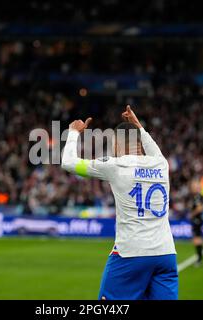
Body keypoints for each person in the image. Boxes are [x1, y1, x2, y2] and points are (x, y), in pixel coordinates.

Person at [61, 105, 178, 300]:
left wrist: (73, 133)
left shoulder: (116, 166)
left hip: (131, 254)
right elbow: (148, 143)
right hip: (165, 254)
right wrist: (136, 123)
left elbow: (68, 162)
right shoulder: (161, 163)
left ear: (118, 144)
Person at [189, 180, 203, 267]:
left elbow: (199, 208)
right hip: (197, 220)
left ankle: (199, 260)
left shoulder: (197, 197)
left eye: (193, 187)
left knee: (197, 239)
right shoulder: (196, 196)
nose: (192, 188)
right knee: (197, 239)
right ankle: (199, 258)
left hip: (197, 220)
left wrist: (192, 214)